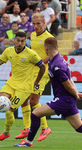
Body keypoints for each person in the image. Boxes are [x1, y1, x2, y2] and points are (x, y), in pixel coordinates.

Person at [13, 37, 82, 148]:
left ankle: (28, 142)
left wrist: (76, 94)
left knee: (35, 113)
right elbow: (70, 79)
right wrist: (76, 93)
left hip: (63, 100)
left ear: (46, 48)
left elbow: (68, 85)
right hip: (67, 100)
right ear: (57, 46)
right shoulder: (55, 59)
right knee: (80, 127)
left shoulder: (57, 65)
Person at [0, 32, 46, 141]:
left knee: (9, 110)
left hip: (25, 88)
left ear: (25, 41)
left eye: (22, 41)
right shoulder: (8, 51)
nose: (20, 43)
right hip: (12, 82)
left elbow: (42, 67)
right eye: (18, 40)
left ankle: (6, 132)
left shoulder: (31, 53)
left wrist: (37, 81)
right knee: (1, 98)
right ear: (14, 40)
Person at [14, 12, 54, 141]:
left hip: (43, 73)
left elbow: (53, 55)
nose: (36, 26)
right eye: (34, 23)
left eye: (38, 23)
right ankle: (26, 128)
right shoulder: (32, 35)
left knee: (34, 101)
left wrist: (39, 62)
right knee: (23, 99)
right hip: (32, 72)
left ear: (44, 23)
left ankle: (45, 128)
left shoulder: (49, 38)